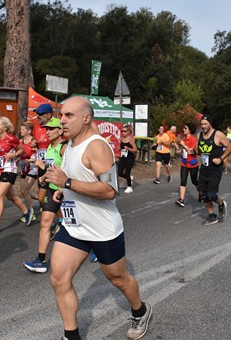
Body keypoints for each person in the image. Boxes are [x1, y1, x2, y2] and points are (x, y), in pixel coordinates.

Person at [43, 96, 152, 340]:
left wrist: (67, 182)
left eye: (69, 115)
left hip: (103, 229)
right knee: (58, 279)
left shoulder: (97, 147)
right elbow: (78, 177)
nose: (62, 120)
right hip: (74, 227)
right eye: (61, 115)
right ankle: (71, 336)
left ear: (86, 118)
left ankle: (140, 311)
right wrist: (64, 191)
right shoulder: (69, 143)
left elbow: (110, 191)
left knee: (118, 277)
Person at [24, 118, 67, 273]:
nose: (47, 131)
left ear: (60, 131)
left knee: (76, 224)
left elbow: (71, 169)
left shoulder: (64, 147)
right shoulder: (49, 147)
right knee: (45, 222)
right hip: (52, 189)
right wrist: (43, 174)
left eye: (51, 129)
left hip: (67, 191)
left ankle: (94, 248)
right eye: (46, 129)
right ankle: (40, 260)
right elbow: (51, 168)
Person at [0, 117, 34, 234]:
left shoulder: (11, 138)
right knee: (11, 197)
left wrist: (14, 155)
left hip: (9, 170)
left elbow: (22, 150)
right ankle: (27, 212)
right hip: (0, 170)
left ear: (6, 127)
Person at [196, 115, 231, 225]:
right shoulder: (199, 136)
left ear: (210, 124)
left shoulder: (218, 135)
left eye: (205, 124)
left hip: (215, 169)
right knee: (203, 193)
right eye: (201, 124)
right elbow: (197, 151)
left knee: (211, 195)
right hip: (203, 169)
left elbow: (230, 147)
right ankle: (212, 216)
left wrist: (221, 158)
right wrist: (190, 151)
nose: (203, 126)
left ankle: (221, 203)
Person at [33, 103, 54, 212]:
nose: (38, 116)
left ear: (49, 115)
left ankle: (56, 218)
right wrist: (34, 144)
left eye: (40, 114)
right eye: (37, 114)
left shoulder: (56, 126)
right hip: (41, 164)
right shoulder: (36, 125)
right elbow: (35, 140)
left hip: (54, 163)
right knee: (43, 196)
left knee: (52, 194)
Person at [18, 121, 39, 220]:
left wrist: (30, 160)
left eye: (23, 129)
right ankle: (42, 199)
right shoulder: (21, 141)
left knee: (25, 191)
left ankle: (30, 211)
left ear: (29, 131)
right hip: (23, 168)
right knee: (23, 192)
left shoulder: (33, 142)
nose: (20, 131)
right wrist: (16, 159)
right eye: (21, 129)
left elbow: (39, 156)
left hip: (33, 168)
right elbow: (20, 154)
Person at [176, 123, 199, 207]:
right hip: (184, 163)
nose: (183, 129)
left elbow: (191, 151)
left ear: (190, 130)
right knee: (183, 181)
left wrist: (183, 145)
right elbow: (184, 151)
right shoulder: (184, 139)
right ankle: (181, 199)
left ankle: (201, 192)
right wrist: (179, 150)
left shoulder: (193, 139)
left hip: (193, 164)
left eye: (185, 128)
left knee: (194, 181)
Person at [118, 124, 138, 193]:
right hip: (123, 158)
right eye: (122, 131)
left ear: (128, 132)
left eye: (125, 131)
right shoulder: (121, 139)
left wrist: (129, 148)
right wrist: (120, 148)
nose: (123, 132)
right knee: (119, 173)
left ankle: (129, 187)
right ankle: (129, 177)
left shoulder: (131, 140)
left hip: (130, 158)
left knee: (127, 172)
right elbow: (121, 147)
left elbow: (135, 150)